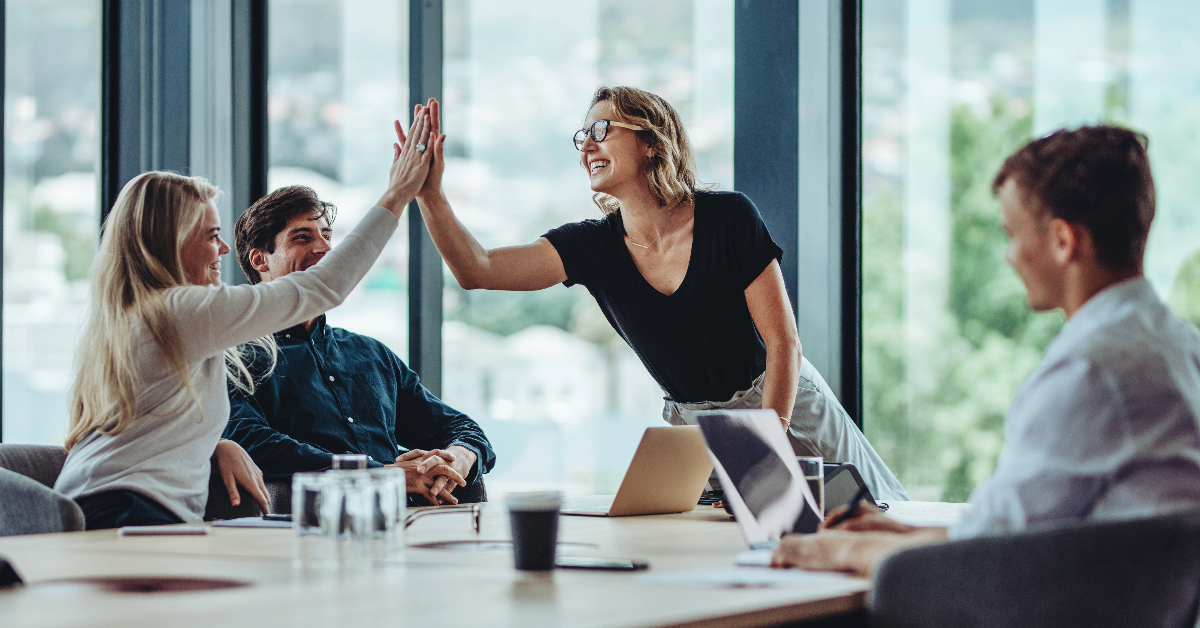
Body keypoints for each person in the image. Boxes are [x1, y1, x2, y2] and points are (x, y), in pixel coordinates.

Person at [405, 86, 907, 501]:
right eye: (583, 136)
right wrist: (430, 194)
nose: (587, 146)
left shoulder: (729, 217)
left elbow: (784, 345)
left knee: (876, 526)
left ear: (651, 141)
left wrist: (763, 443)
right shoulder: (591, 246)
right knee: (734, 560)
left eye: (603, 130)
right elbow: (478, 269)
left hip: (785, 405)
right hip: (698, 433)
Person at [771, 125, 1200, 575]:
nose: (1009, 256)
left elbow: (987, 557)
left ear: (1062, 241)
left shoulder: (1092, 369)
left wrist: (836, 551)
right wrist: (899, 532)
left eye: (1013, 235)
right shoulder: (1177, 346)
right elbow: (1012, 529)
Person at [53, 106, 435, 529]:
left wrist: (216, 444)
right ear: (171, 242)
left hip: (102, 504)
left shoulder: (136, 316)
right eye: (211, 236)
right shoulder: (178, 311)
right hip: (126, 511)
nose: (223, 250)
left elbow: (147, 425)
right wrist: (397, 195)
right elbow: (323, 287)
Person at [222, 185, 496, 506]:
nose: (325, 248)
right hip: (311, 528)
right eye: (302, 237)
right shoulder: (234, 355)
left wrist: (459, 456)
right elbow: (249, 440)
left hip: (409, 525)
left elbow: (458, 426)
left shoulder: (371, 353)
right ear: (260, 259)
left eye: (326, 235)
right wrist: (379, 473)